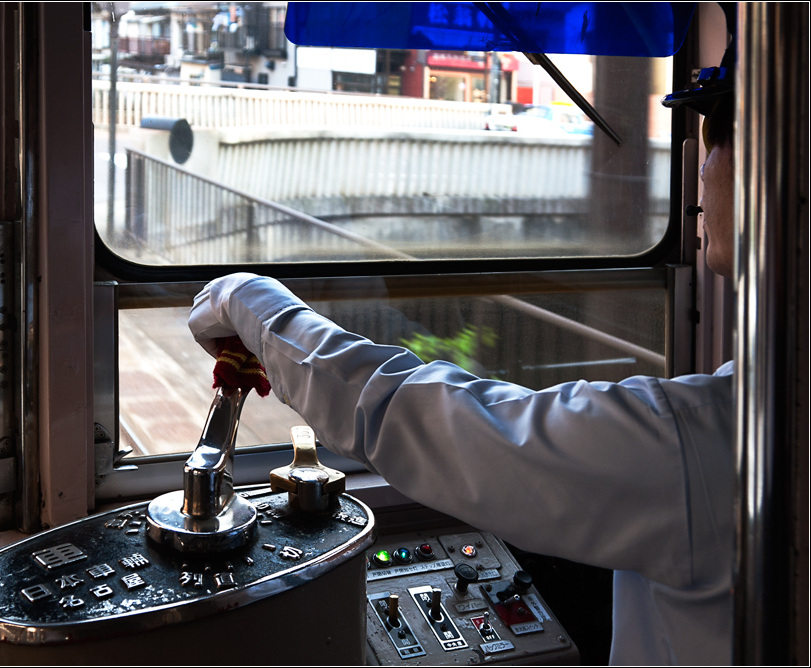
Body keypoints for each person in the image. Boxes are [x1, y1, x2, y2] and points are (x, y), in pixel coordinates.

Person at [187, 56, 736, 666]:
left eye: (717, 136)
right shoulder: (729, 424)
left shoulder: (716, 443)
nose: (701, 167)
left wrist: (254, 304)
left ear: (776, 168)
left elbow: (434, 423)